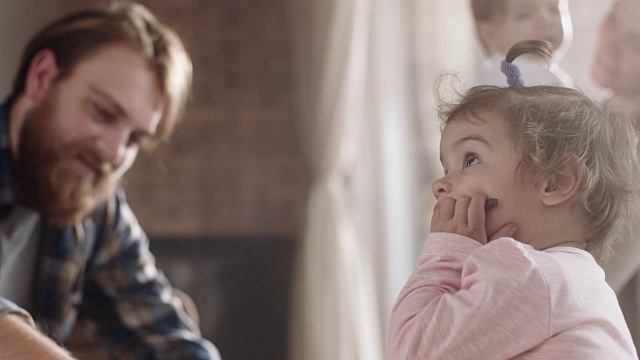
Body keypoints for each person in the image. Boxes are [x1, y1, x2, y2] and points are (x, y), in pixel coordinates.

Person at [387, 40, 638, 359]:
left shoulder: (530, 273)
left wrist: (446, 255)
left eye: (470, 159)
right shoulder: (575, 281)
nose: (441, 184)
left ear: (555, 181)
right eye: (445, 167)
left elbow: (412, 350)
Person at [0, 2, 221, 359]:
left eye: (134, 139)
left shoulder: (95, 208)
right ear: (41, 77)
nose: (114, 153)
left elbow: (168, 338)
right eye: (102, 113)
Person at [591, 0, 640, 349]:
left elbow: (593, 279)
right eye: (612, 21)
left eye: (636, 42)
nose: (611, 44)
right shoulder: (600, 118)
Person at [470, 0, 574, 87]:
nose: (546, 20)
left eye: (554, 10)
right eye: (524, 15)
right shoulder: (512, 76)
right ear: (490, 34)